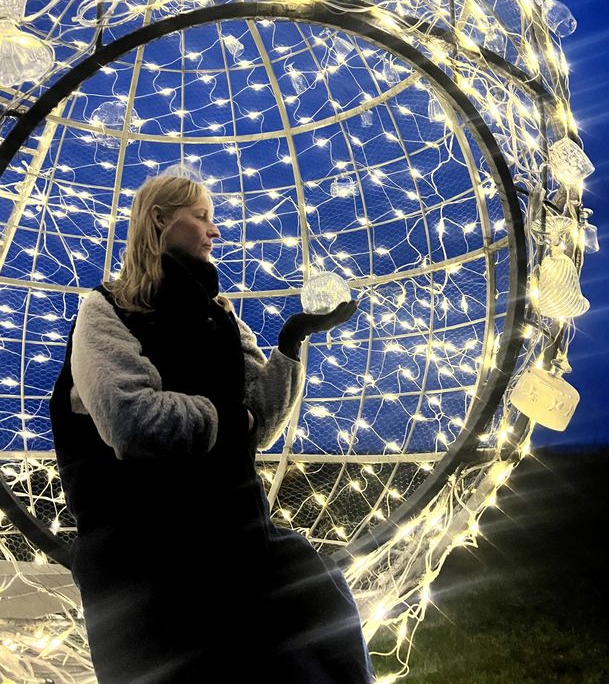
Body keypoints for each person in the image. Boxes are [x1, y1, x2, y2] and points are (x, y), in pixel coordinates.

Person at [49, 172, 376, 684]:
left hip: (238, 541)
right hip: (150, 561)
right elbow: (130, 421)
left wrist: (290, 344)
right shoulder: (106, 310)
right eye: (201, 216)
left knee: (320, 648)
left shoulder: (220, 316)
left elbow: (260, 423)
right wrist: (226, 421)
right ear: (159, 219)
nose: (214, 231)